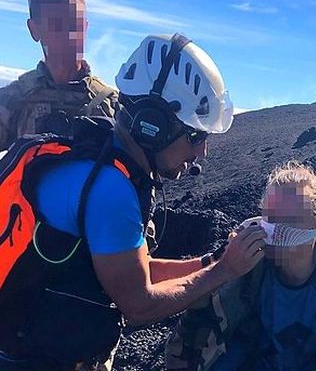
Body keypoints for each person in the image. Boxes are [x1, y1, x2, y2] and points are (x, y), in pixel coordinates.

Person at [0, 33, 266, 370]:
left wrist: (212, 261)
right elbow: (139, 303)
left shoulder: (107, 163)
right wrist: (226, 271)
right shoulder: (112, 192)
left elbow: (131, 271)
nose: (201, 152)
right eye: (195, 136)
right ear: (153, 125)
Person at [165, 162, 316, 371]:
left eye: (289, 220)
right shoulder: (242, 275)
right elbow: (190, 346)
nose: (276, 230)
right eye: (270, 218)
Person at [0, 0, 118, 151]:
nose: (70, 36)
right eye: (56, 25)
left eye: (75, 25)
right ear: (34, 29)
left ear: (85, 27)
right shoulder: (13, 99)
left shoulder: (111, 104)